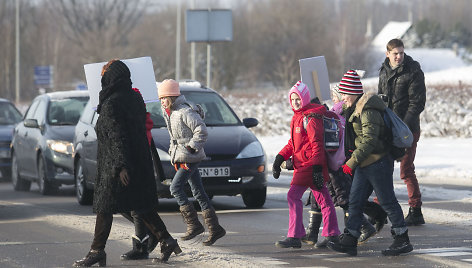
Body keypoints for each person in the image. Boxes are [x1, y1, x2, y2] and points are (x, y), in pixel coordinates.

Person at [73, 60, 181, 267]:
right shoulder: (135, 98)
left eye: (104, 75)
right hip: (138, 161)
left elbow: (116, 135)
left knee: (105, 208)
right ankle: (166, 240)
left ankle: (97, 251)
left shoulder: (112, 102)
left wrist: (120, 166)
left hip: (118, 163)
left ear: (110, 78)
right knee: (140, 204)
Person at [327, 70, 413, 256]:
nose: (343, 98)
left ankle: (402, 238)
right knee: (355, 202)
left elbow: (369, 141)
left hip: (378, 162)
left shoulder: (368, 109)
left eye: (345, 93)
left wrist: (351, 162)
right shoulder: (354, 108)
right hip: (365, 164)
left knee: (387, 200)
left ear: (353, 92)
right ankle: (350, 239)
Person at [301, 86, 381, 248]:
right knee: (321, 196)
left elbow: (325, 139)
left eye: (337, 95)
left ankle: (363, 227)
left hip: (335, 166)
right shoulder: (332, 113)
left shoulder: (332, 114)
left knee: (342, 199)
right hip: (332, 165)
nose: (337, 98)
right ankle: (317, 233)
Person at [272, 81, 340, 248]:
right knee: (324, 200)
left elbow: (316, 143)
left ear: (305, 98)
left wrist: (317, 168)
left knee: (293, 196)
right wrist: (280, 157)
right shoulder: (298, 116)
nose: (295, 102)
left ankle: (295, 236)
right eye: (293, 99)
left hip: (309, 165)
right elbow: (293, 143)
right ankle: (332, 234)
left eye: (298, 99)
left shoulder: (311, 117)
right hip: (305, 165)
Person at [158, 79, 226, 246]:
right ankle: (215, 228)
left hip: (191, 157)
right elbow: (175, 139)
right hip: (183, 157)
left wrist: (191, 148)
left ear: (172, 97)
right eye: (160, 98)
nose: (162, 102)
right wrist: (175, 157)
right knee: (198, 192)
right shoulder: (170, 112)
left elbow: (201, 130)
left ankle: (194, 225)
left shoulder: (184, 112)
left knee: (175, 187)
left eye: (164, 98)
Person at [378, 38, 427, 226]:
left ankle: (415, 210)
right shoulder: (383, 71)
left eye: (401, 53)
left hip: (408, 129)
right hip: (387, 127)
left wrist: (403, 128)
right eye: (395, 53)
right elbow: (381, 99)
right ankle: (380, 208)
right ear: (387, 54)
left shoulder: (413, 71)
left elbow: (417, 103)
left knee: (406, 170)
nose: (399, 57)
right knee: (382, 168)